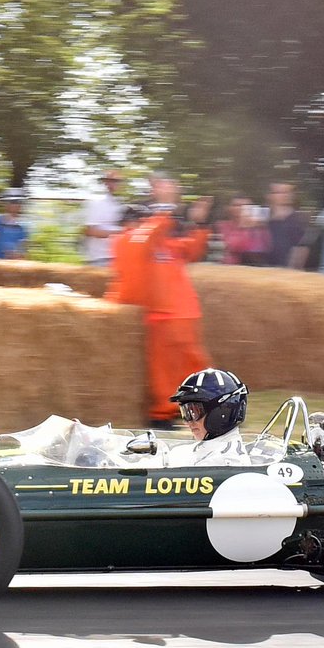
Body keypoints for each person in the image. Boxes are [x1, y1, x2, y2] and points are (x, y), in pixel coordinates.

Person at [106, 174, 211, 427]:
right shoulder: (127, 240)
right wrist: (165, 206)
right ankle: (163, 414)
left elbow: (192, 250)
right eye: (142, 218)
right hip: (161, 315)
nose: (147, 221)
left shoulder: (165, 243)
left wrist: (200, 224)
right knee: (163, 371)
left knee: (193, 365)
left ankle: (194, 407)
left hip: (184, 313)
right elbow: (144, 237)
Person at [167, 368, 250, 464]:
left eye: (194, 412)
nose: (187, 422)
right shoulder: (197, 449)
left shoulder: (227, 462)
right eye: (186, 412)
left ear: (220, 412)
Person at [263, 181, 310, 268]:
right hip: (264, 273)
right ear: (270, 196)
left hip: (285, 275)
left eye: (288, 192)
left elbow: (301, 250)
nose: (285, 195)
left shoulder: (297, 220)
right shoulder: (264, 219)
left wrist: (289, 273)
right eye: (280, 192)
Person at [82, 170, 124, 266]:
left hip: (115, 258)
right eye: (110, 181)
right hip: (99, 259)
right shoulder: (96, 202)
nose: (114, 184)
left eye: (117, 181)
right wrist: (121, 233)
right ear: (105, 182)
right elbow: (90, 231)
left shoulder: (118, 204)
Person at [0, 189, 32, 259]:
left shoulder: (23, 226)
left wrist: (17, 255)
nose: (17, 205)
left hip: (12, 266)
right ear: (5, 203)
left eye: (20, 202)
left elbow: (23, 252)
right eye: (13, 202)